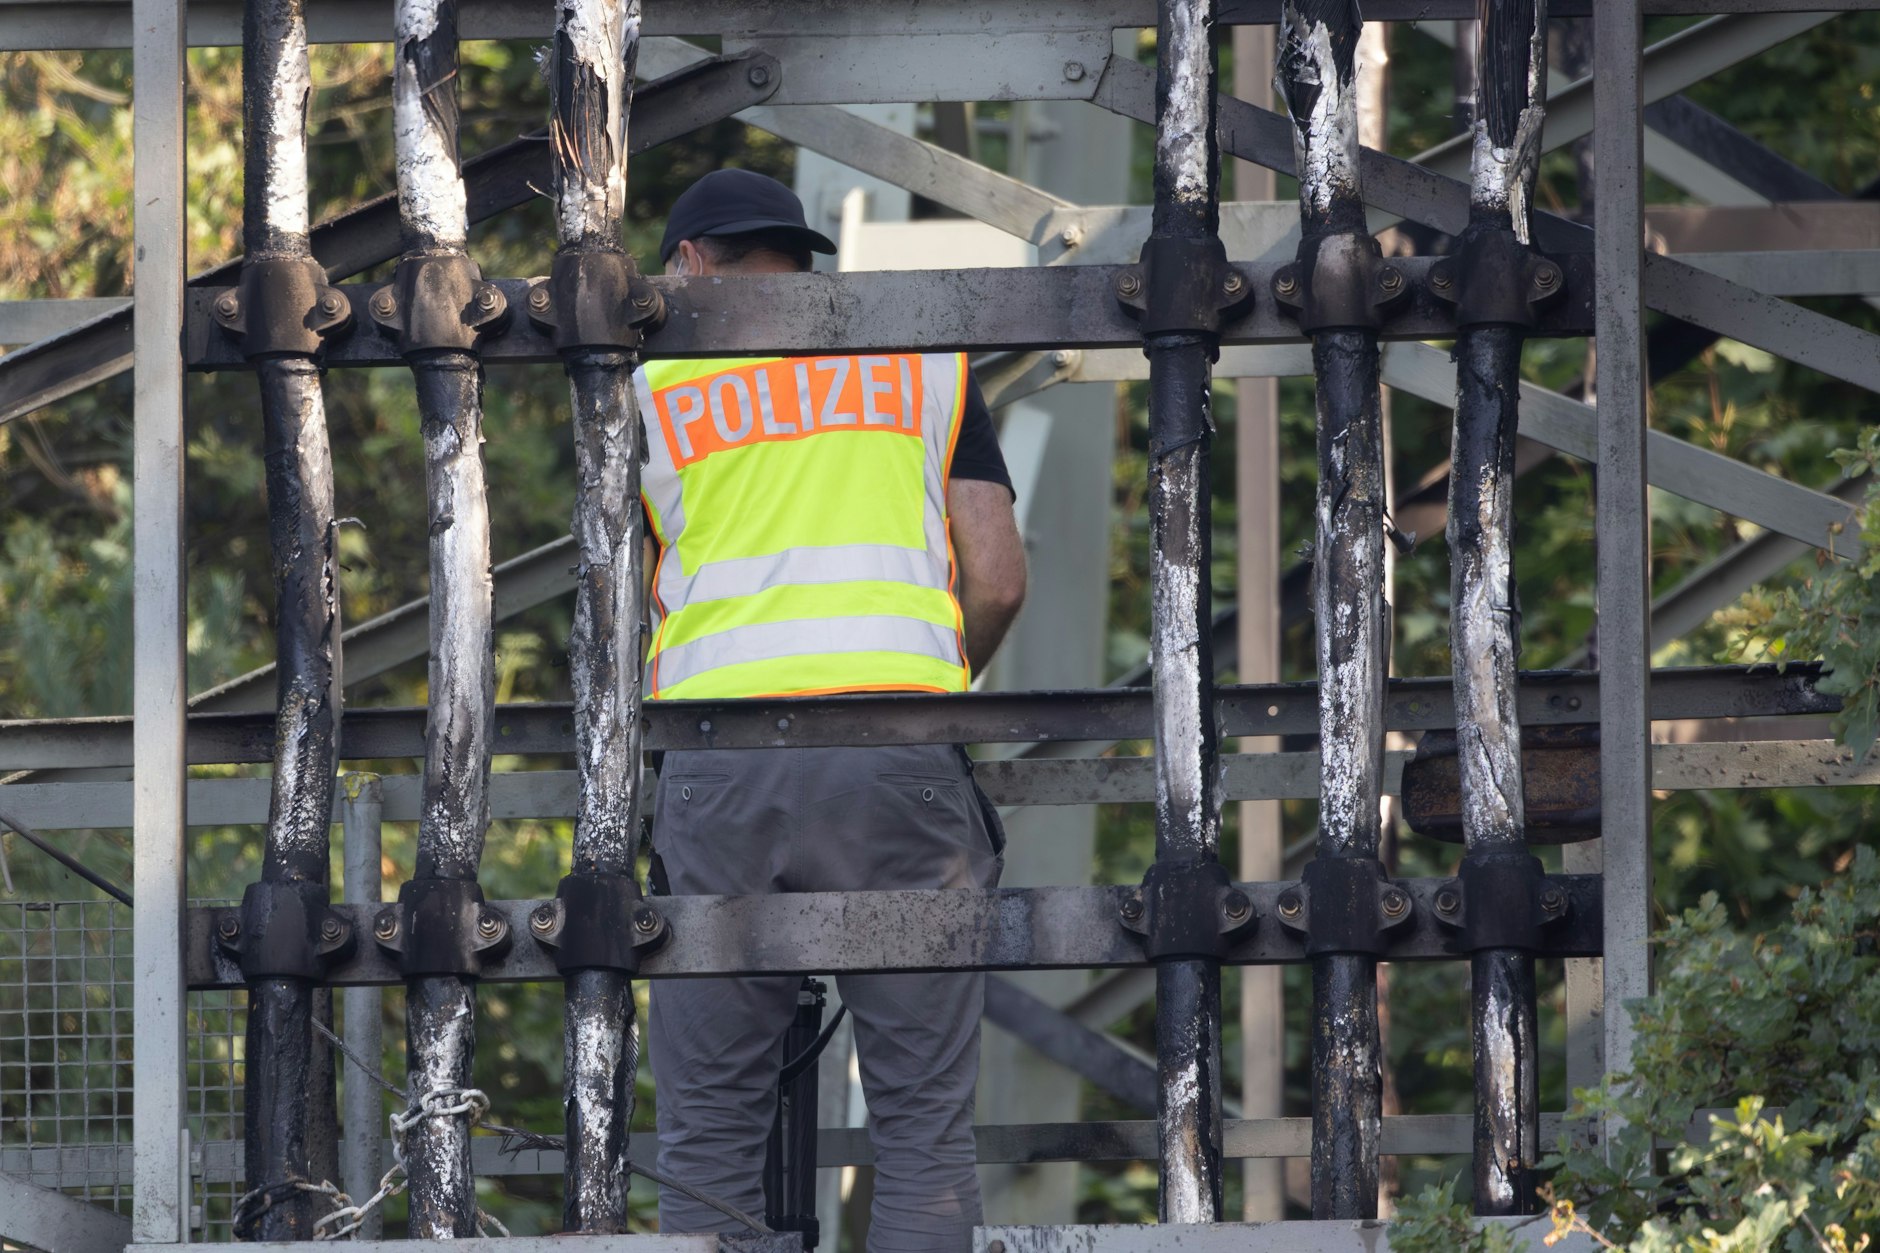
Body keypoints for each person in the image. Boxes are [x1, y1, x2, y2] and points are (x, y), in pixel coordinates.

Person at [638, 168, 1028, 1253]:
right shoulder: (920, 367)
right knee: (922, 1130)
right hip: (894, 758)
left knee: (710, 1131)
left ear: (692, 264)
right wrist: (929, 686)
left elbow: (618, 604)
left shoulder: (646, 387)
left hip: (716, 768)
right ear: (798, 259)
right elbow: (995, 575)